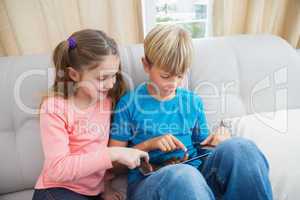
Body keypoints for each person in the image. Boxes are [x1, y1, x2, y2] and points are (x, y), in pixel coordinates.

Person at [109, 25, 273, 200]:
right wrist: (149, 145)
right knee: (183, 175)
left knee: (241, 148)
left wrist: (219, 142)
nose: (173, 84)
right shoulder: (129, 104)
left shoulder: (192, 102)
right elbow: (113, 165)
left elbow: (203, 147)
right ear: (146, 65)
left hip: (197, 181)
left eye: (180, 76)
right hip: (149, 182)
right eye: (166, 76)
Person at [32, 29, 149, 200]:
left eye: (114, 75)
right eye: (102, 78)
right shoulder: (54, 108)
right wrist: (113, 153)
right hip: (56, 191)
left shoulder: (106, 101)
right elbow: (57, 169)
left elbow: (95, 149)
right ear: (74, 75)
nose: (111, 84)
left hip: (91, 193)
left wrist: (106, 187)